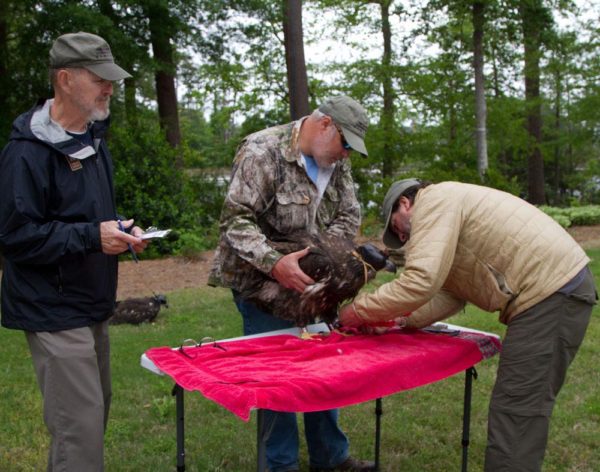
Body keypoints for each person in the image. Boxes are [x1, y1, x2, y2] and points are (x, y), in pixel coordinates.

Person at [339, 179, 597, 472]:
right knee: (518, 411)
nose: (399, 235)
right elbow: (451, 294)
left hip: (552, 294)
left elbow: (420, 282)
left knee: (517, 413)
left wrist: (358, 311)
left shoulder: (433, 201)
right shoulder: (447, 208)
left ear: (405, 203)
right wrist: (400, 320)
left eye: (395, 225)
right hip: (554, 292)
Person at [0, 32, 148, 471]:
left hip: (91, 303)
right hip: (52, 308)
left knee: (90, 415)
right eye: (100, 78)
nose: (110, 87)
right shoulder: (26, 152)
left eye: (112, 79)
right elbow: (14, 236)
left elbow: (87, 217)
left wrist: (119, 230)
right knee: (79, 430)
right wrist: (92, 237)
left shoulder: (93, 141)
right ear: (65, 79)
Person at [209, 96, 375, 472]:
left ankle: (331, 459)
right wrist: (275, 263)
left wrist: (322, 261)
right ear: (325, 124)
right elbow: (235, 221)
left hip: (312, 282)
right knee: (277, 373)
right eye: (345, 144)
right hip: (260, 282)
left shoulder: (335, 161)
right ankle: (280, 465)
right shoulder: (261, 152)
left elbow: (349, 215)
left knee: (322, 364)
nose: (346, 155)